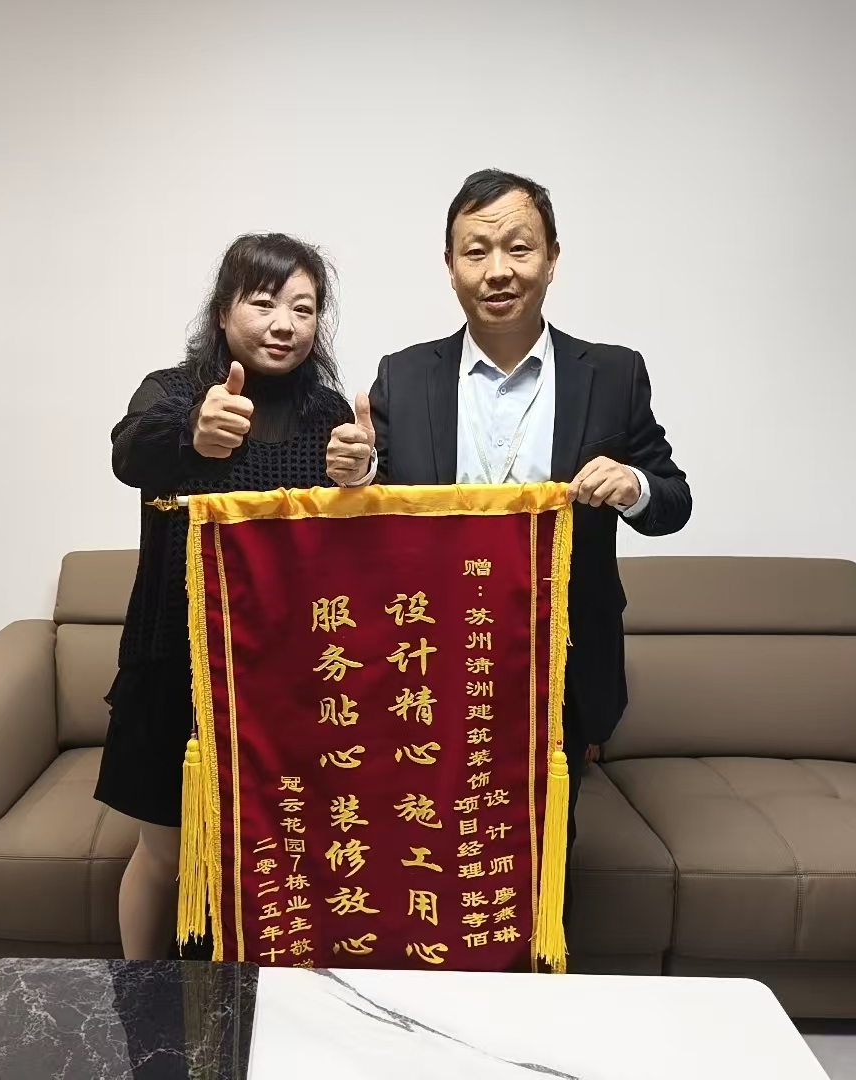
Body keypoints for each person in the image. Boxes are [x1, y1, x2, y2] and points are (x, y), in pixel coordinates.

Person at [325, 168, 691, 844]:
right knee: (425, 839)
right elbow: (377, 508)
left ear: (552, 259)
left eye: (519, 248)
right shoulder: (404, 375)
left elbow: (674, 499)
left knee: (544, 844)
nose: (498, 270)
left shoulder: (613, 374)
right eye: (476, 251)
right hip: (429, 657)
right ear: (450, 266)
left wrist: (634, 485)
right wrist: (359, 473)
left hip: (560, 662)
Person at [95, 233, 354, 960]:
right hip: (175, 666)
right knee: (165, 853)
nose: (284, 324)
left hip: (290, 676)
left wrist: (362, 475)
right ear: (222, 311)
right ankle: (141, 997)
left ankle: (271, 999)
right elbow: (129, 453)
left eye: (303, 309)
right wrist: (193, 433)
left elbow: (352, 545)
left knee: (284, 851)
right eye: (264, 303)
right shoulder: (174, 393)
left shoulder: (328, 412)